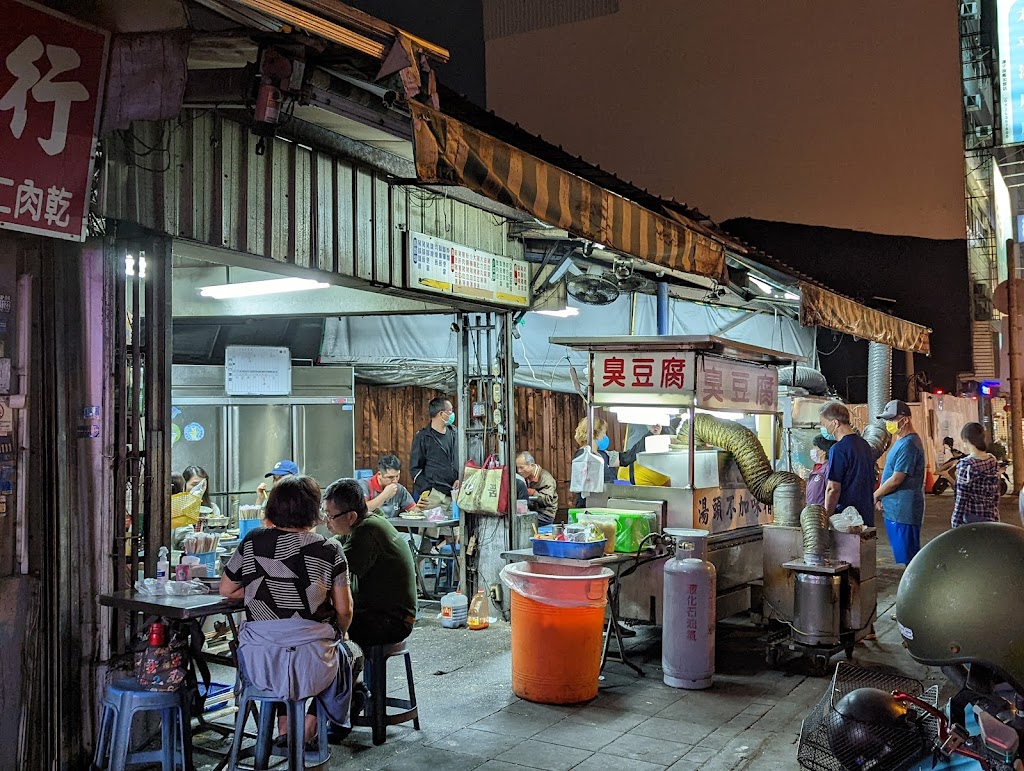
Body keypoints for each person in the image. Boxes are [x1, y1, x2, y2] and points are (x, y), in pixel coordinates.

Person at [220, 475, 354, 748]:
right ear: (313, 510)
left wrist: (263, 591)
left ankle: (284, 727)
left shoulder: (253, 540)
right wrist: (339, 633)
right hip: (313, 665)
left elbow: (227, 589)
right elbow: (344, 609)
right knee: (348, 657)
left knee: (283, 656)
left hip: (261, 665)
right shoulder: (330, 549)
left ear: (273, 508)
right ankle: (308, 727)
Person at [323, 478, 418, 649]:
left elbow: (331, 569)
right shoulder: (363, 523)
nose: (326, 521)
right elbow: (329, 548)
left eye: (330, 516)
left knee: (323, 630)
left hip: (393, 620)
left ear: (351, 516)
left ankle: (348, 674)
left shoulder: (368, 532)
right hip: (378, 612)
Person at [872, 400, 926, 565]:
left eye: (892, 419)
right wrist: (883, 497)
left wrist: (875, 495)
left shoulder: (909, 444)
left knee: (907, 560)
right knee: (903, 555)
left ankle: (912, 590)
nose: (889, 424)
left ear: (905, 419)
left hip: (903, 510)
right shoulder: (902, 441)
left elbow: (896, 479)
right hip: (896, 508)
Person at [820, 402, 877, 526]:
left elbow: (833, 489)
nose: (823, 428)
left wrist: (826, 516)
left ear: (835, 423)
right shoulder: (864, 445)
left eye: (824, 424)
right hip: (866, 514)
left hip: (846, 518)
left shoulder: (838, 449)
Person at [572, 416, 642, 506]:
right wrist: (617, 485)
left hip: (604, 505)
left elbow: (626, 458)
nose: (605, 436)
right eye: (604, 433)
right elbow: (598, 482)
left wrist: (649, 435)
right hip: (589, 507)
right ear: (595, 434)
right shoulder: (583, 456)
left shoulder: (603, 455)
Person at [409, 397, 460, 512]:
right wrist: (428, 490)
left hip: (454, 494)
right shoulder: (422, 437)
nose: (452, 414)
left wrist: (460, 477)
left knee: (454, 529)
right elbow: (415, 468)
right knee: (431, 529)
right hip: (433, 496)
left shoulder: (455, 433)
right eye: (450, 411)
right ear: (441, 414)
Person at [951, 422, 1001, 528]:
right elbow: (996, 493)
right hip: (991, 516)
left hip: (971, 519)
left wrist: (955, 523)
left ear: (966, 440)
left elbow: (961, 499)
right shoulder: (992, 460)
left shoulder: (966, 464)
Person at [359, 454, 417, 519]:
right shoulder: (364, 485)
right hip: (369, 527)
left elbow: (412, 511)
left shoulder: (399, 489)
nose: (395, 481)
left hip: (392, 527)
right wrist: (384, 495)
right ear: (379, 474)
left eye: (397, 476)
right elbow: (361, 510)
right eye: (390, 477)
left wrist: (419, 508)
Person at [515, 451, 559, 526]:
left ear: (532, 465)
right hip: (532, 510)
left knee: (518, 522)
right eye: (517, 467)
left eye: (521, 468)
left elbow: (548, 500)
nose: (519, 471)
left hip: (545, 514)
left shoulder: (546, 478)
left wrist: (532, 492)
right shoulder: (526, 477)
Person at [805, 434, 836, 507]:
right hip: (812, 510)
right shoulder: (816, 468)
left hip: (821, 511)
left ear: (823, 451)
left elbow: (831, 490)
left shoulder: (828, 467)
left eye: (815, 448)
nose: (813, 450)